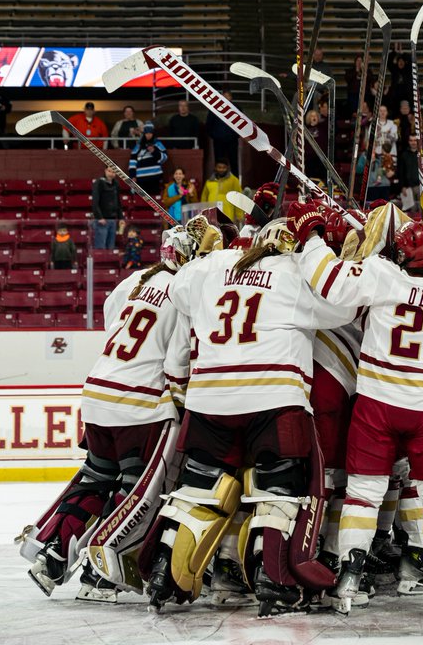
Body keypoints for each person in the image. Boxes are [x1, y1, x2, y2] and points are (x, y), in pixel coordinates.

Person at [295, 196, 423, 616]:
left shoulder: (383, 275)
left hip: (377, 407)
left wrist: (313, 235)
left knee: (363, 494)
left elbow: (327, 280)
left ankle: (349, 573)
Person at [146, 217, 359, 616]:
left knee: (196, 491)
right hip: (274, 397)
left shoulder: (215, 264)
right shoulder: (294, 271)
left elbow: (177, 290)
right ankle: (273, 581)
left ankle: (163, 575)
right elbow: (344, 308)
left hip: (209, 399)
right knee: (276, 494)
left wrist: (208, 255)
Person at [22, 223, 206, 602]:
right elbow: (178, 357)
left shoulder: (137, 280)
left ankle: (53, 554)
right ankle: (100, 572)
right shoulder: (186, 290)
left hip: (97, 390)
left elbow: (112, 322)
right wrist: (180, 400)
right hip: (138, 402)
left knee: (96, 478)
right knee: (138, 488)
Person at [204, 90, 240, 174]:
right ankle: (218, 179)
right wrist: (215, 136)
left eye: (228, 96)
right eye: (224, 96)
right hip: (218, 141)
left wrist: (235, 136)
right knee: (218, 162)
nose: (226, 98)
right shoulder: (214, 108)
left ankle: (235, 180)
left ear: (231, 98)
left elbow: (242, 124)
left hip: (232, 141)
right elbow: (208, 124)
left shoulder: (237, 109)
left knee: (234, 162)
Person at [129, 123, 168, 197]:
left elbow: (165, 158)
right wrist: (133, 175)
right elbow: (132, 161)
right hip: (141, 179)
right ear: (144, 134)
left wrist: (154, 152)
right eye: (146, 133)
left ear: (153, 133)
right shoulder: (139, 145)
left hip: (155, 178)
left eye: (150, 133)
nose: (148, 135)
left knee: (154, 200)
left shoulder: (158, 144)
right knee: (141, 201)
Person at [91, 167, 121, 249]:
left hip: (113, 220)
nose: (111, 173)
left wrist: (120, 218)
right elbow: (95, 202)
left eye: (113, 171)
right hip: (102, 220)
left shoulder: (116, 184)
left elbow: (118, 202)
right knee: (101, 247)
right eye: (109, 171)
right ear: (105, 171)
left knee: (111, 247)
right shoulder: (99, 183)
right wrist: (99, 217)